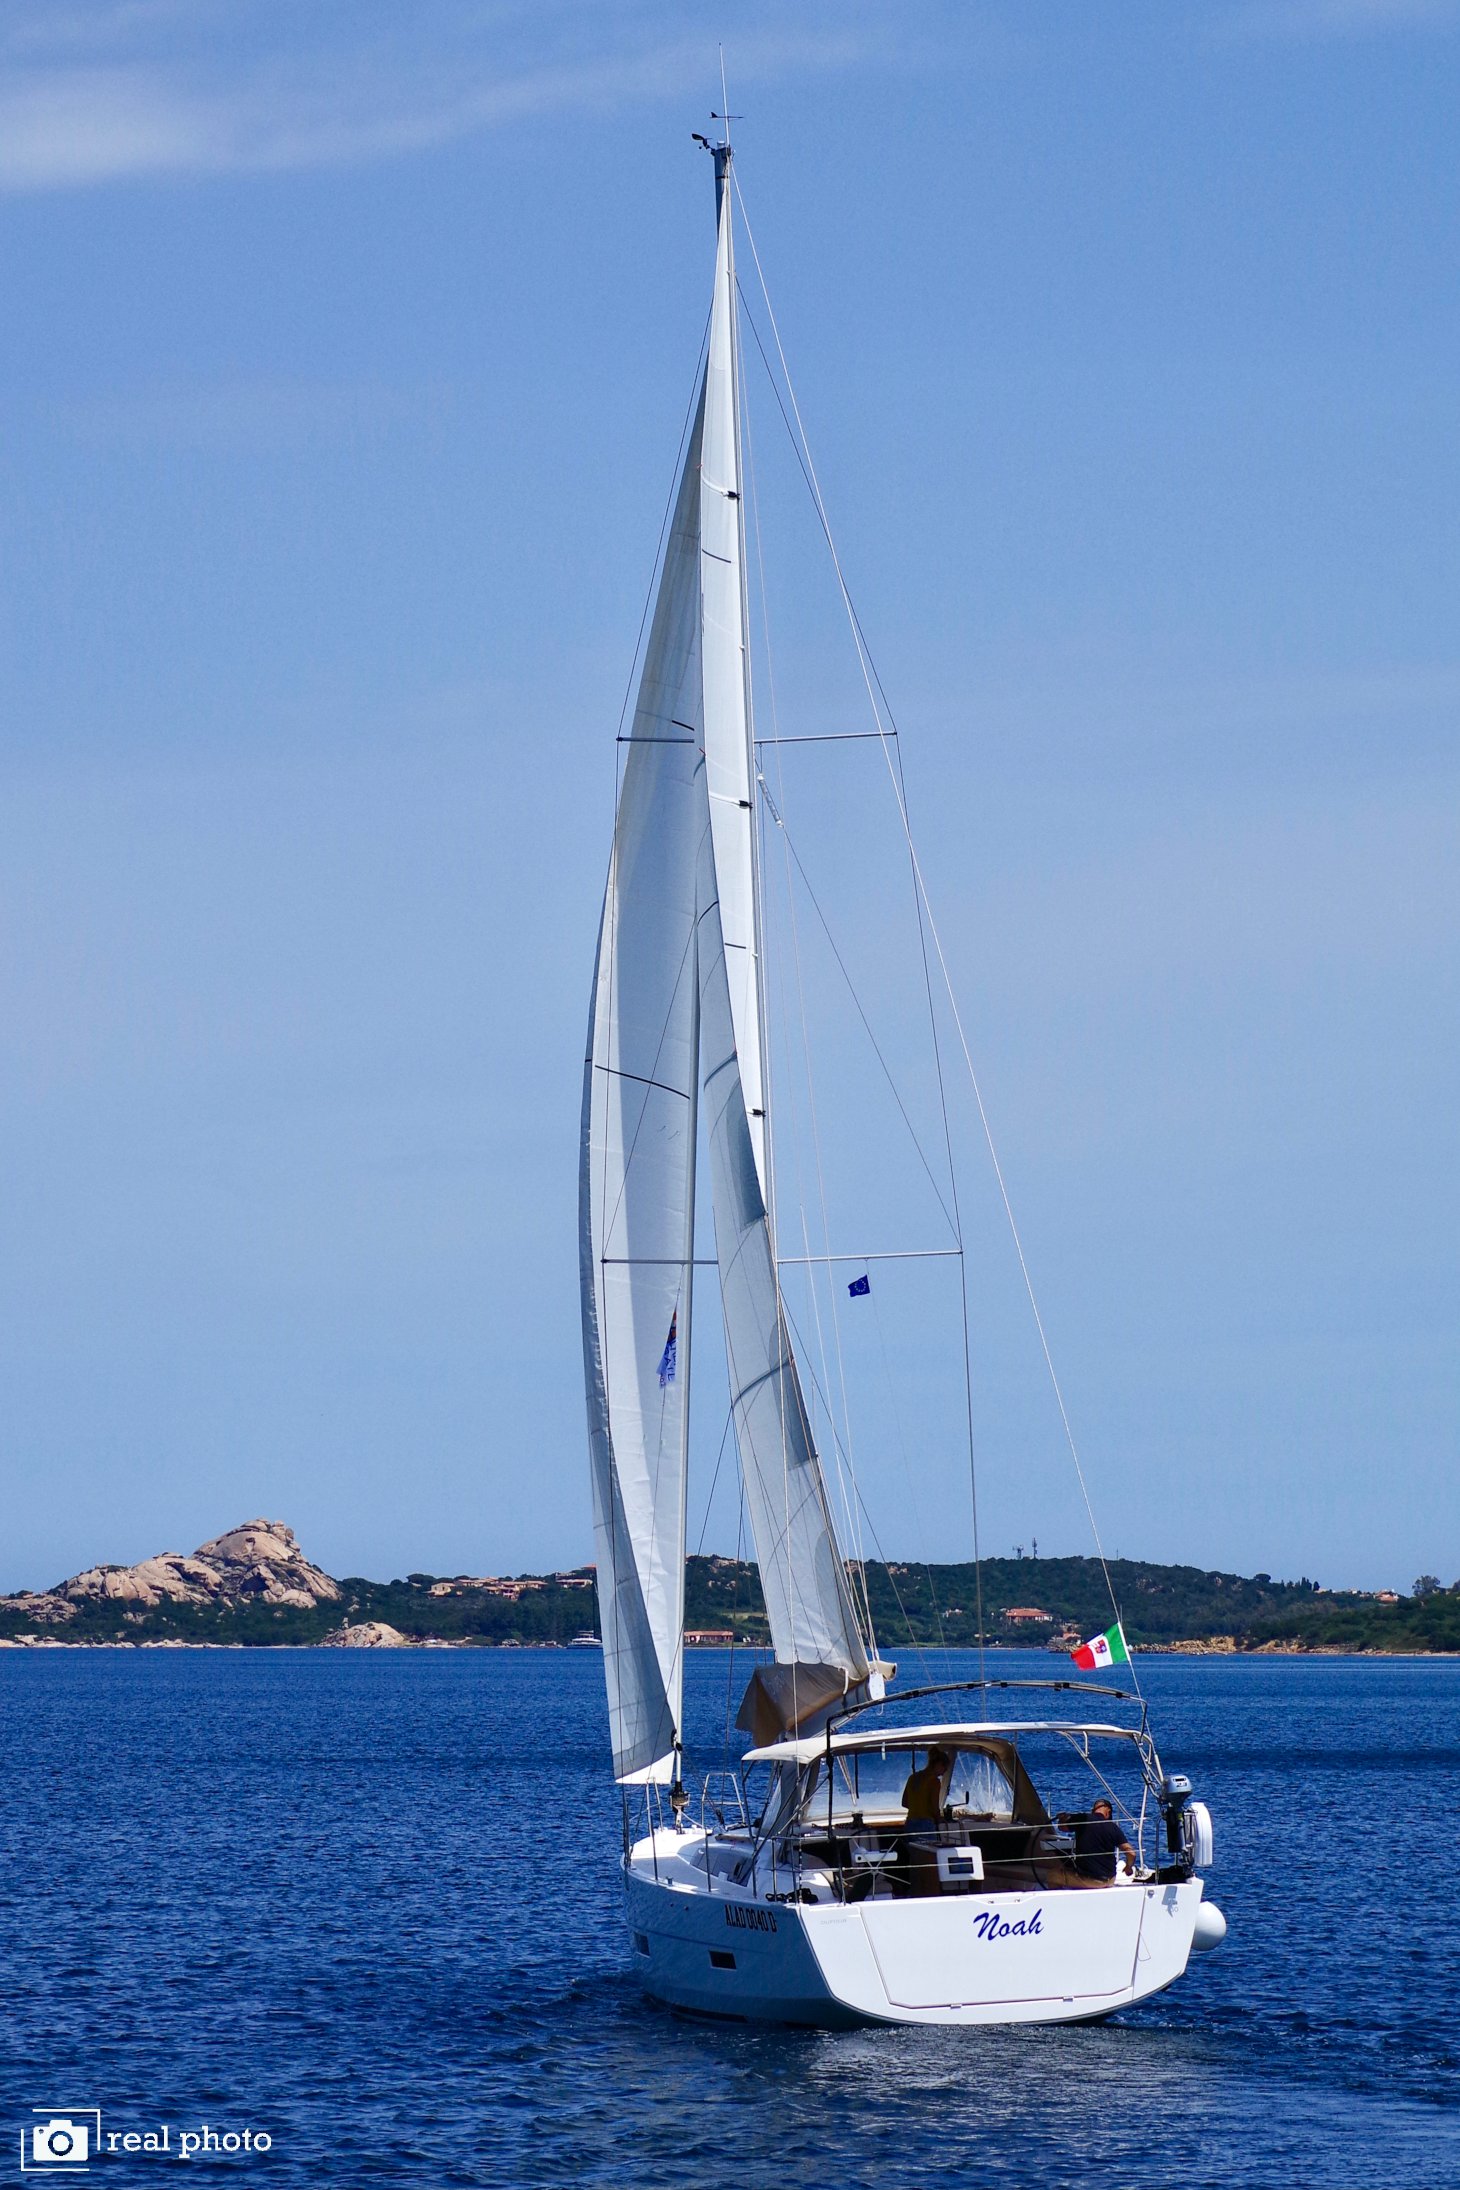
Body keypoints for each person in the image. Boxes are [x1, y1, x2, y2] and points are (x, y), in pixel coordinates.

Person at [1059, 1796, 1136, 1885]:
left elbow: (1062, 1827)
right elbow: (1131, 1853)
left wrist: (1062, 1818)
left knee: (1052, 1875)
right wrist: (1128, 1867)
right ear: (1108, 1812)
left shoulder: (1082, 1819)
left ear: (1093, 1810)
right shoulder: (1113, 1827)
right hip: (1110, 1880)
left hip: (1089, 1880)